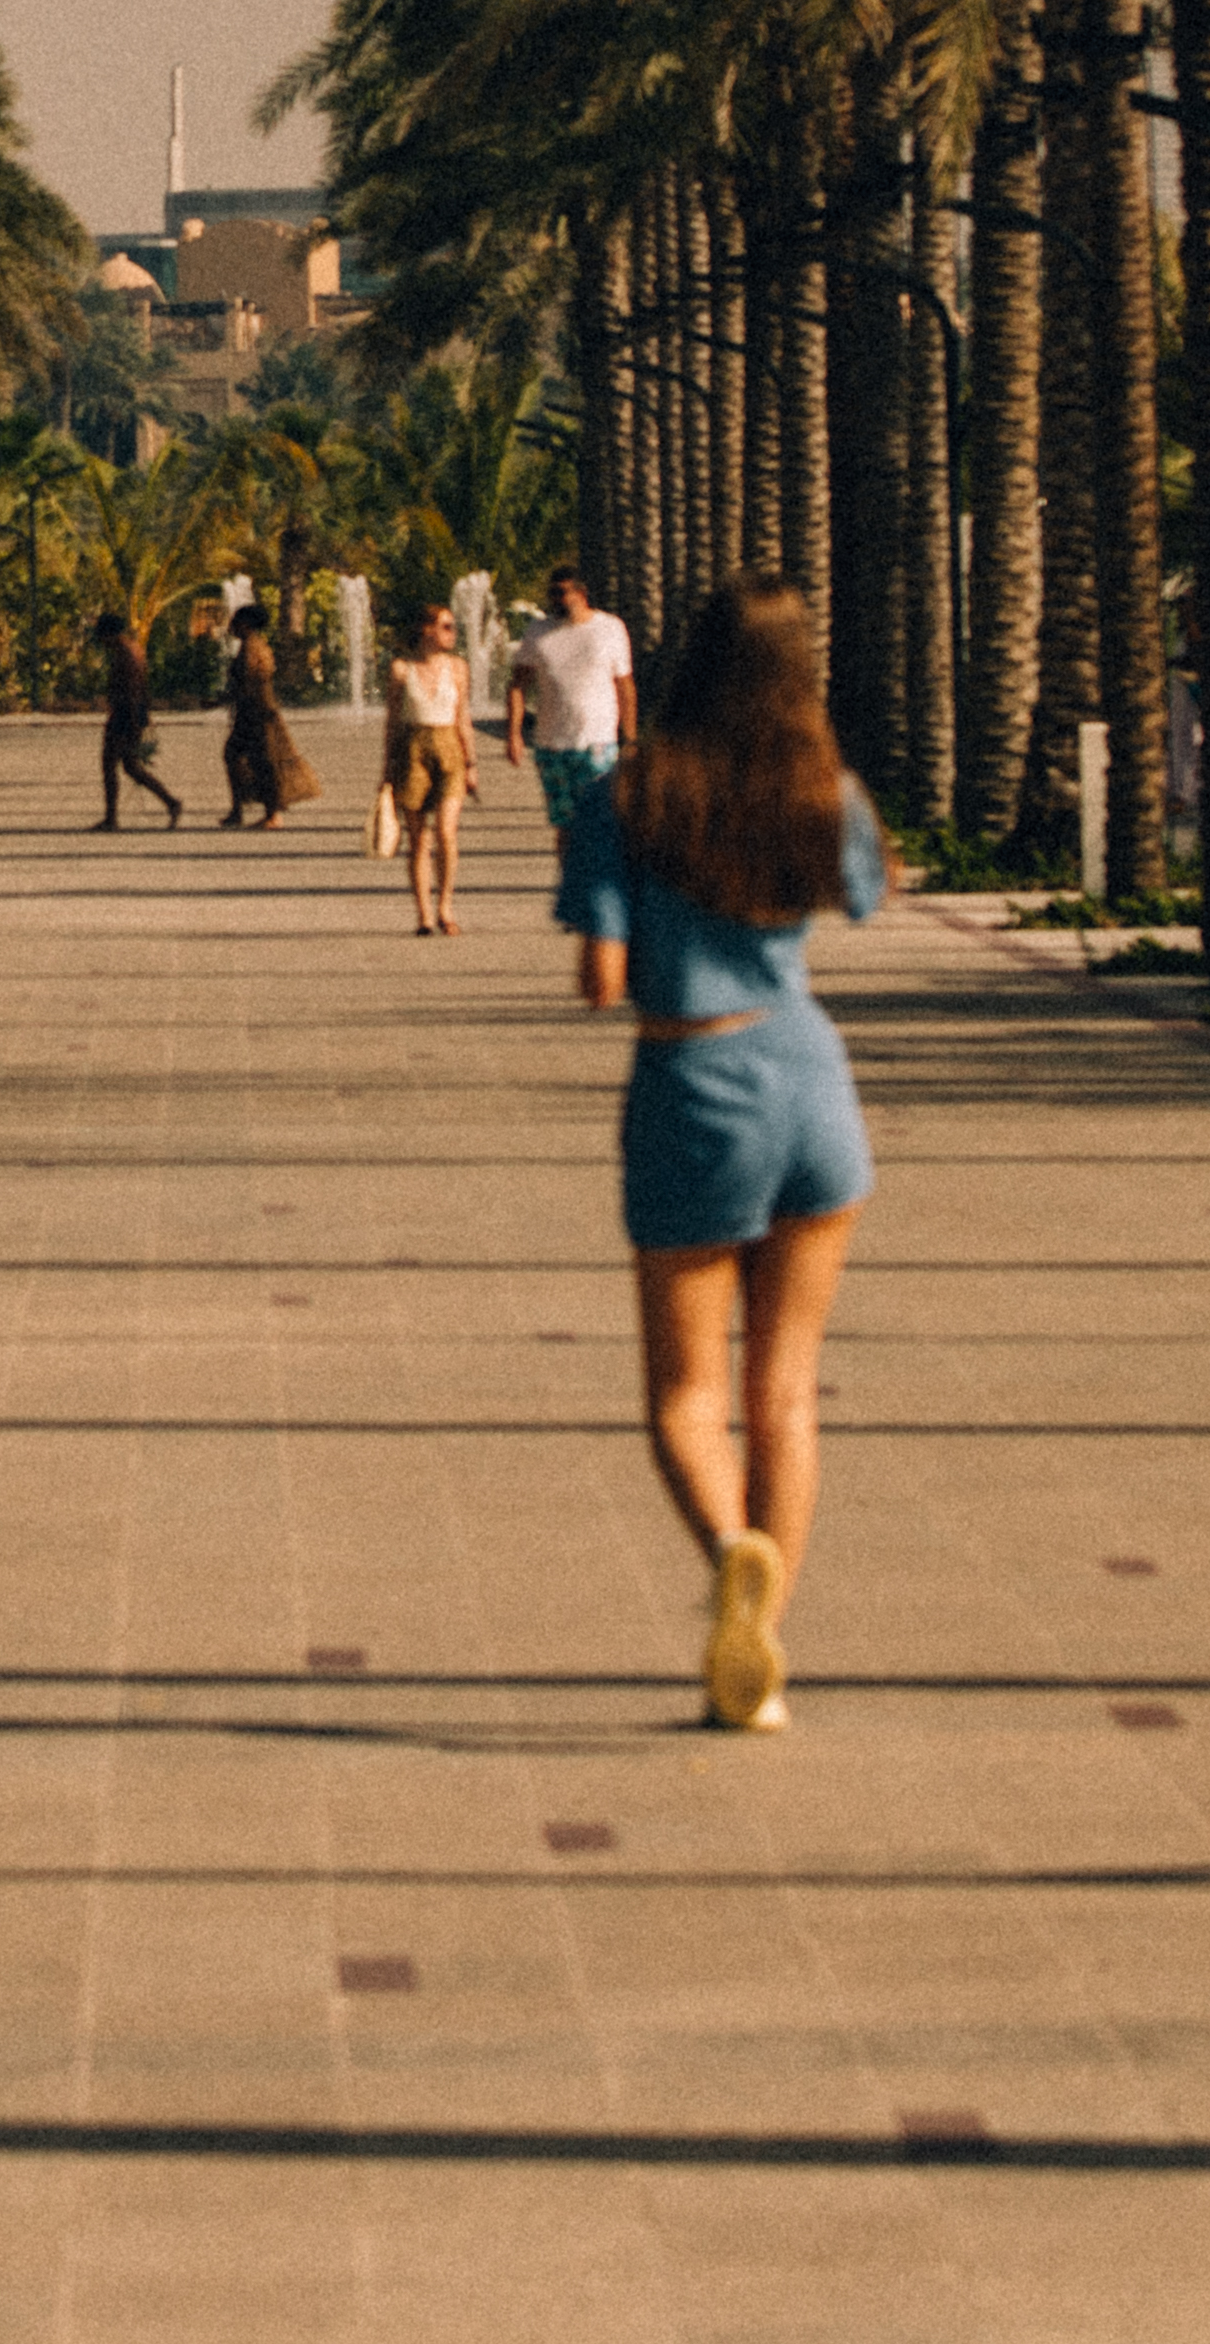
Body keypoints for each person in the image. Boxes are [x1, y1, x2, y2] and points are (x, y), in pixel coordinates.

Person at [563, 578, 886, 1733]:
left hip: (693, 1084)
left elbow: (601, 979)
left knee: (686, 1396)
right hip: (812, 1079)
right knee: (785, 1391)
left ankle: (730, 1553)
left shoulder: (627, 798)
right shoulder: (825, 791)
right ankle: (760, 1654)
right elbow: (859, 898)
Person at [511, 565, 638, 923]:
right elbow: (518, 684)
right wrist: (514, 734)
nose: (557, 600)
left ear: (581, 593)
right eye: (552, 593)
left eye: (563, 592)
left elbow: (625, 686)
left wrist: (629, 737)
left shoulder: (609, 628)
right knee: (565, 825)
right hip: (552, 744)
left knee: (603, 821)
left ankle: (608, 898)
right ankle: (577, 897)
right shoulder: (538, 632)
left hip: (598, 741)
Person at [381, 601, 475, 932]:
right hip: (412, 751)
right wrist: (386, 772)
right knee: (420, 839)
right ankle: (423, 914)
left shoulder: (458, 668)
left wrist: (472, 762)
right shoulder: (400, 669)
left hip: (450, 750)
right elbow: (392, 722)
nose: (452, 633)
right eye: (446, 626)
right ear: (427, 629)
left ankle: (445, 907)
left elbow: (463, 717)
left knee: (446, 832)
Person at [218, 602, 317, 831]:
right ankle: (240, 810)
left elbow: (252, 683)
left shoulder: (253, 648)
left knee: (264, 762)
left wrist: (226, 700)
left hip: (258, 714)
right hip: (252, 713)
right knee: (238, 756)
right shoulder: (252, 646)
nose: (232, 626)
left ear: (246, 625)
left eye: (236, 621)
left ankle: (270, 814)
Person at [92, 610, 184, 831]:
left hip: (125, 715)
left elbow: (133, 691)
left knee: (110, 765)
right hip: (130, 714)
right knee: (131, 767)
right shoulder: (133, 650)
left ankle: (111, 818)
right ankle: (170, 803)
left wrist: (134, 722)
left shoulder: (126, 655)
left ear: (110, 634)